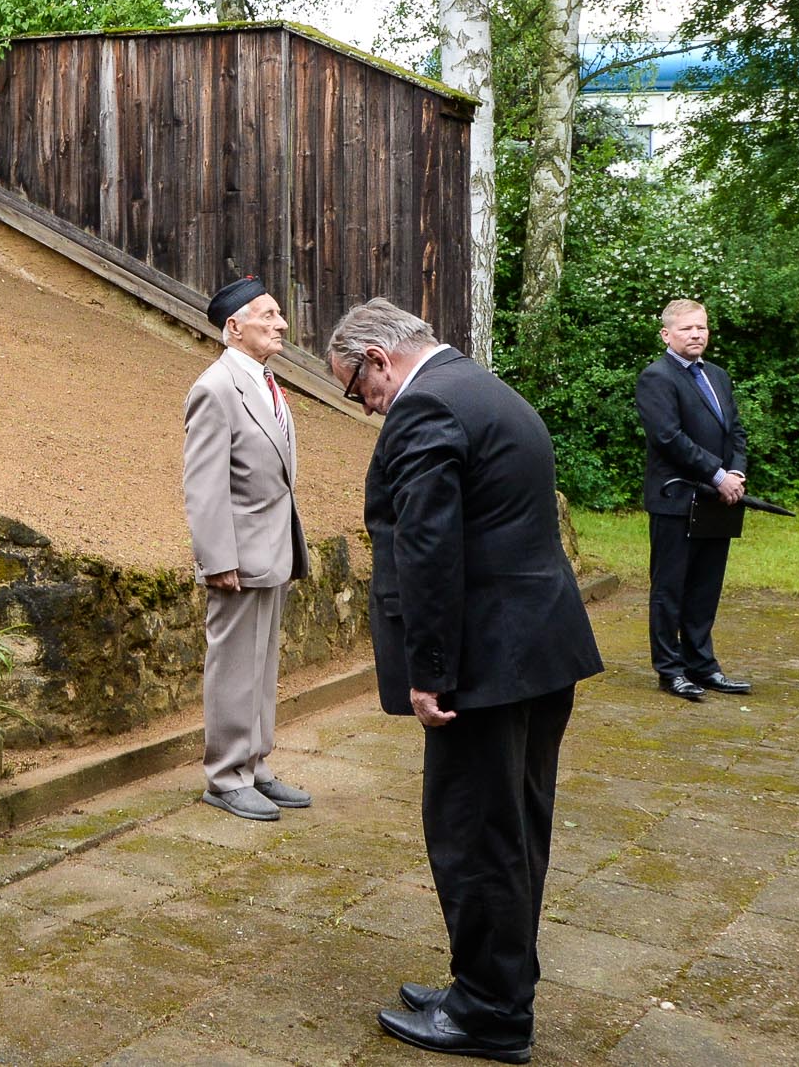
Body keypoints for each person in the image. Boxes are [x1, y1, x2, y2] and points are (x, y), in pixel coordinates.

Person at [326, 298, 602, 1064]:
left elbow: (427, 546)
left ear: (379, 360)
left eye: (358, 389)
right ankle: (492, 980)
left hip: (484, 663)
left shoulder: (426, 408)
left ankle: (490, 1014)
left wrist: (429, 672)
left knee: (474, 835)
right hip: (540, 648)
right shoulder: (483, 387)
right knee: (514, 832)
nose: (366, 405)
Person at [182, 275, 312, 822]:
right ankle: (225, 776)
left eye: (279, 314)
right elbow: (203, 484)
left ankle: (254, 765)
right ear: (234, 326)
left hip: (272, 547)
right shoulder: (215, 387)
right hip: (237, 557)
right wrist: (219, 561)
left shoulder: (264, 380)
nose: (281, 324)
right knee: (233, 667)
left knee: (259, 666)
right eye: (268, 316)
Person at [635, 298, 752, 702]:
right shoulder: (657, 377)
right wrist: (717, 475)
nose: (697, 334)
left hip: (719, 500)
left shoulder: (717, 376)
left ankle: (703, 666)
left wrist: (735, 472)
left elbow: (735, 430)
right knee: (670, 589)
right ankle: (670, 670)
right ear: (667, 334)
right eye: (687, 328)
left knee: (705, 587)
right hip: (677, 500)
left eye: (701, 327)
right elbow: (668, 438)